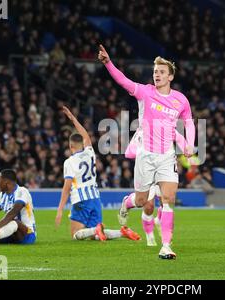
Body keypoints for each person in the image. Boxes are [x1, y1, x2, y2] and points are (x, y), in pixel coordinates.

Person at [98, 44, 195, 259]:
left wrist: (189, 143)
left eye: (161, 72)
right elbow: (123, 81)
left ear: (170, 76)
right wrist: (108, 63)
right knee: (142, 201)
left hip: (167, 157)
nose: (156, 75)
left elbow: (188, 122)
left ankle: (166, 246)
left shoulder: (181, 100)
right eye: (155, 72)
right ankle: (127, 202)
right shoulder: (145, 92)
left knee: (168, 199)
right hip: (146, 155)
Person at [55, 106, 140, 242]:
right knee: (94, 236)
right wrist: (72, 118)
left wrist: (60, 209)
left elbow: (66, 188)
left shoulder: (69, 162)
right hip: (95, 199)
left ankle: (96, 229)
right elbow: (86, 136)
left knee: (76, 235)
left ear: (71, 146)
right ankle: (122, 232)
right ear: (82, 144)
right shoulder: (90, 153)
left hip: (80, 200)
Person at [123, 127, 189, 247]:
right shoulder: (143, 130)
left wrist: (186, 147)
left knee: (166, 202)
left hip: (163, 167)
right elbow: (129, 153)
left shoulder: (166, 126)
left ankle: (162, 227)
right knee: (148, 206)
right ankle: (150, 236)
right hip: (148, 169)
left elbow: (179, 138)